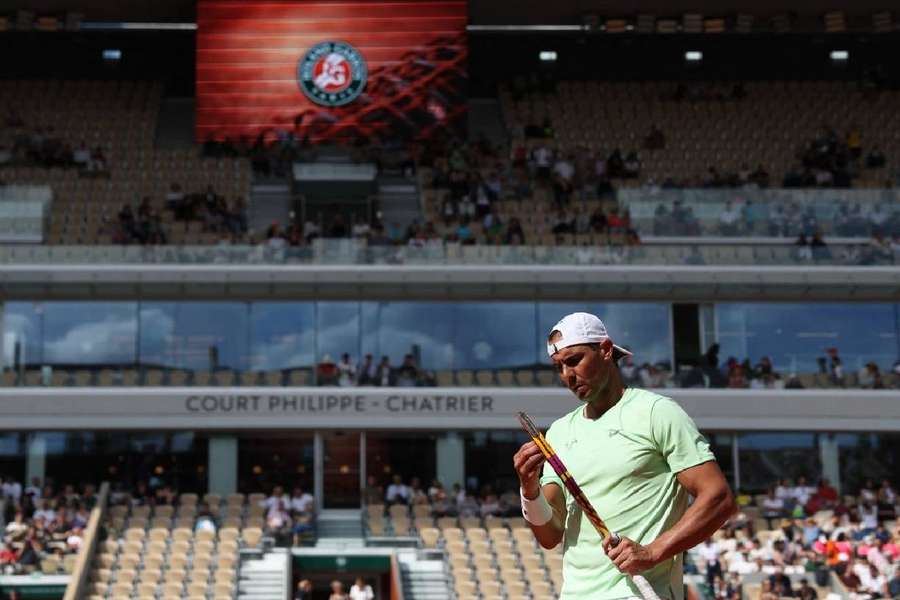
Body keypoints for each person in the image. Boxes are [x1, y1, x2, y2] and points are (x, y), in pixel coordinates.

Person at [513, 312, 735, 599]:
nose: (567, 375)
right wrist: (529, 490)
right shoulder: (558, 433)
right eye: (559, 367)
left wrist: (652, 553)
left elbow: (718, 498)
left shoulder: (657, 412)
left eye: (574, 360)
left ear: (605, 350)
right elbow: (550, 535)